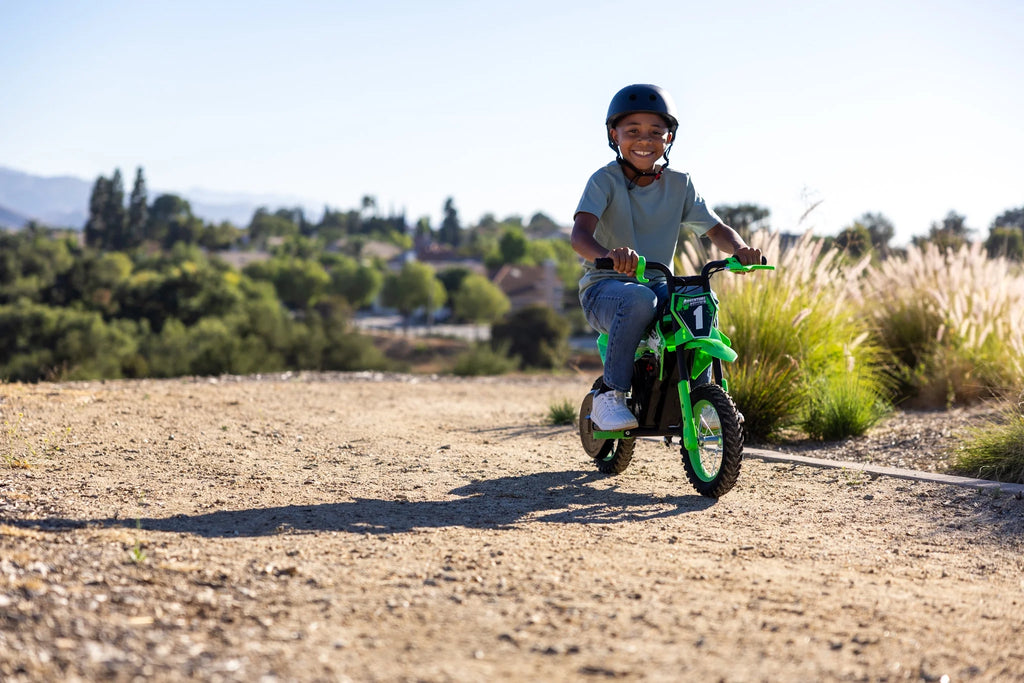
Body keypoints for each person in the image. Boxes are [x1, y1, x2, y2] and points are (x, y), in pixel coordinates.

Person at [571, 83, 762, 431]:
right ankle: (610, 396)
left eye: (655, 132)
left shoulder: (680, 183)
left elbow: (716, 229)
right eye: (632, 131)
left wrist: (740, 249)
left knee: (700, 299)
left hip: (660, 286)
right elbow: (580, 235)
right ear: (614, 135)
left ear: (669, 138)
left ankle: (704, 394)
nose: (644, 140)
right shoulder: (604, 181)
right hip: (605, 290)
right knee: (639, 297)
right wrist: (608, 256)